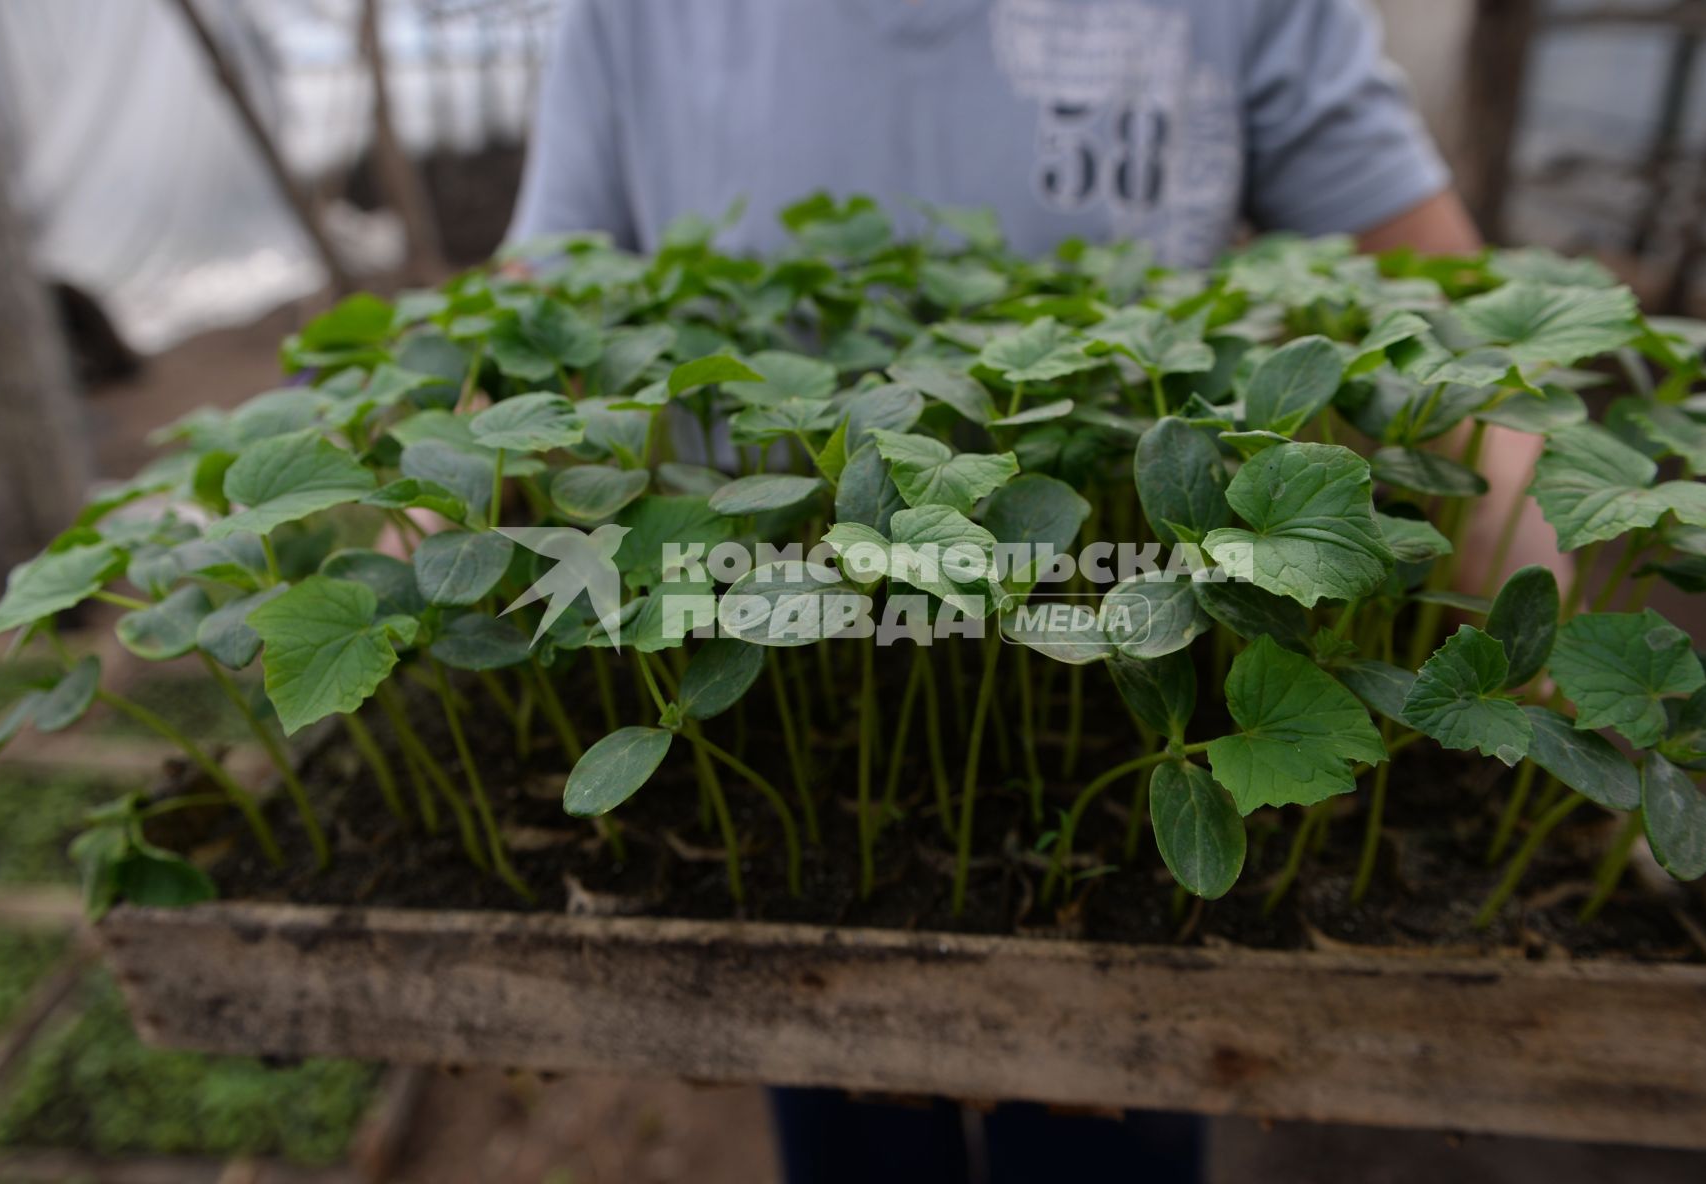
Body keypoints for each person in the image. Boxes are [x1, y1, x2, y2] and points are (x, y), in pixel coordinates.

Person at [505, 2, 1553, 1178]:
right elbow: (532, 305)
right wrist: (429, 535)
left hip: (1135, 660)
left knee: (1121, 1106)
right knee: (841, 1093)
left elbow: (1437, 300)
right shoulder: (633, 21)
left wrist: (1535, 600)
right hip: (766, 681)